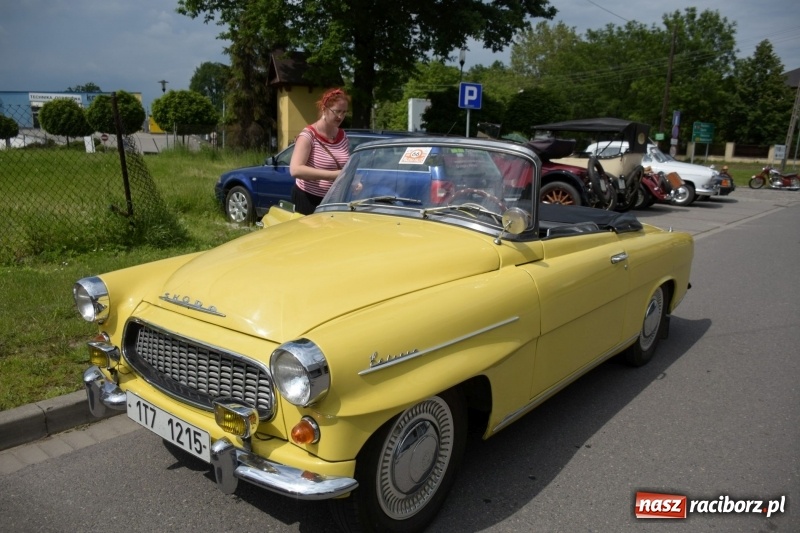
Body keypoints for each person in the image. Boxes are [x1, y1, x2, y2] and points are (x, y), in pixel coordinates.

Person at [289, 88, 350, 214]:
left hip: (334, 200)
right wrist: (332, 175)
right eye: (337, 111)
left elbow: (345, 166)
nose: (340, 117)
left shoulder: (343, 135)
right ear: (324, 109)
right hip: (308, 199)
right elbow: (295, 169)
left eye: (344, 112)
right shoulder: (308, 135)